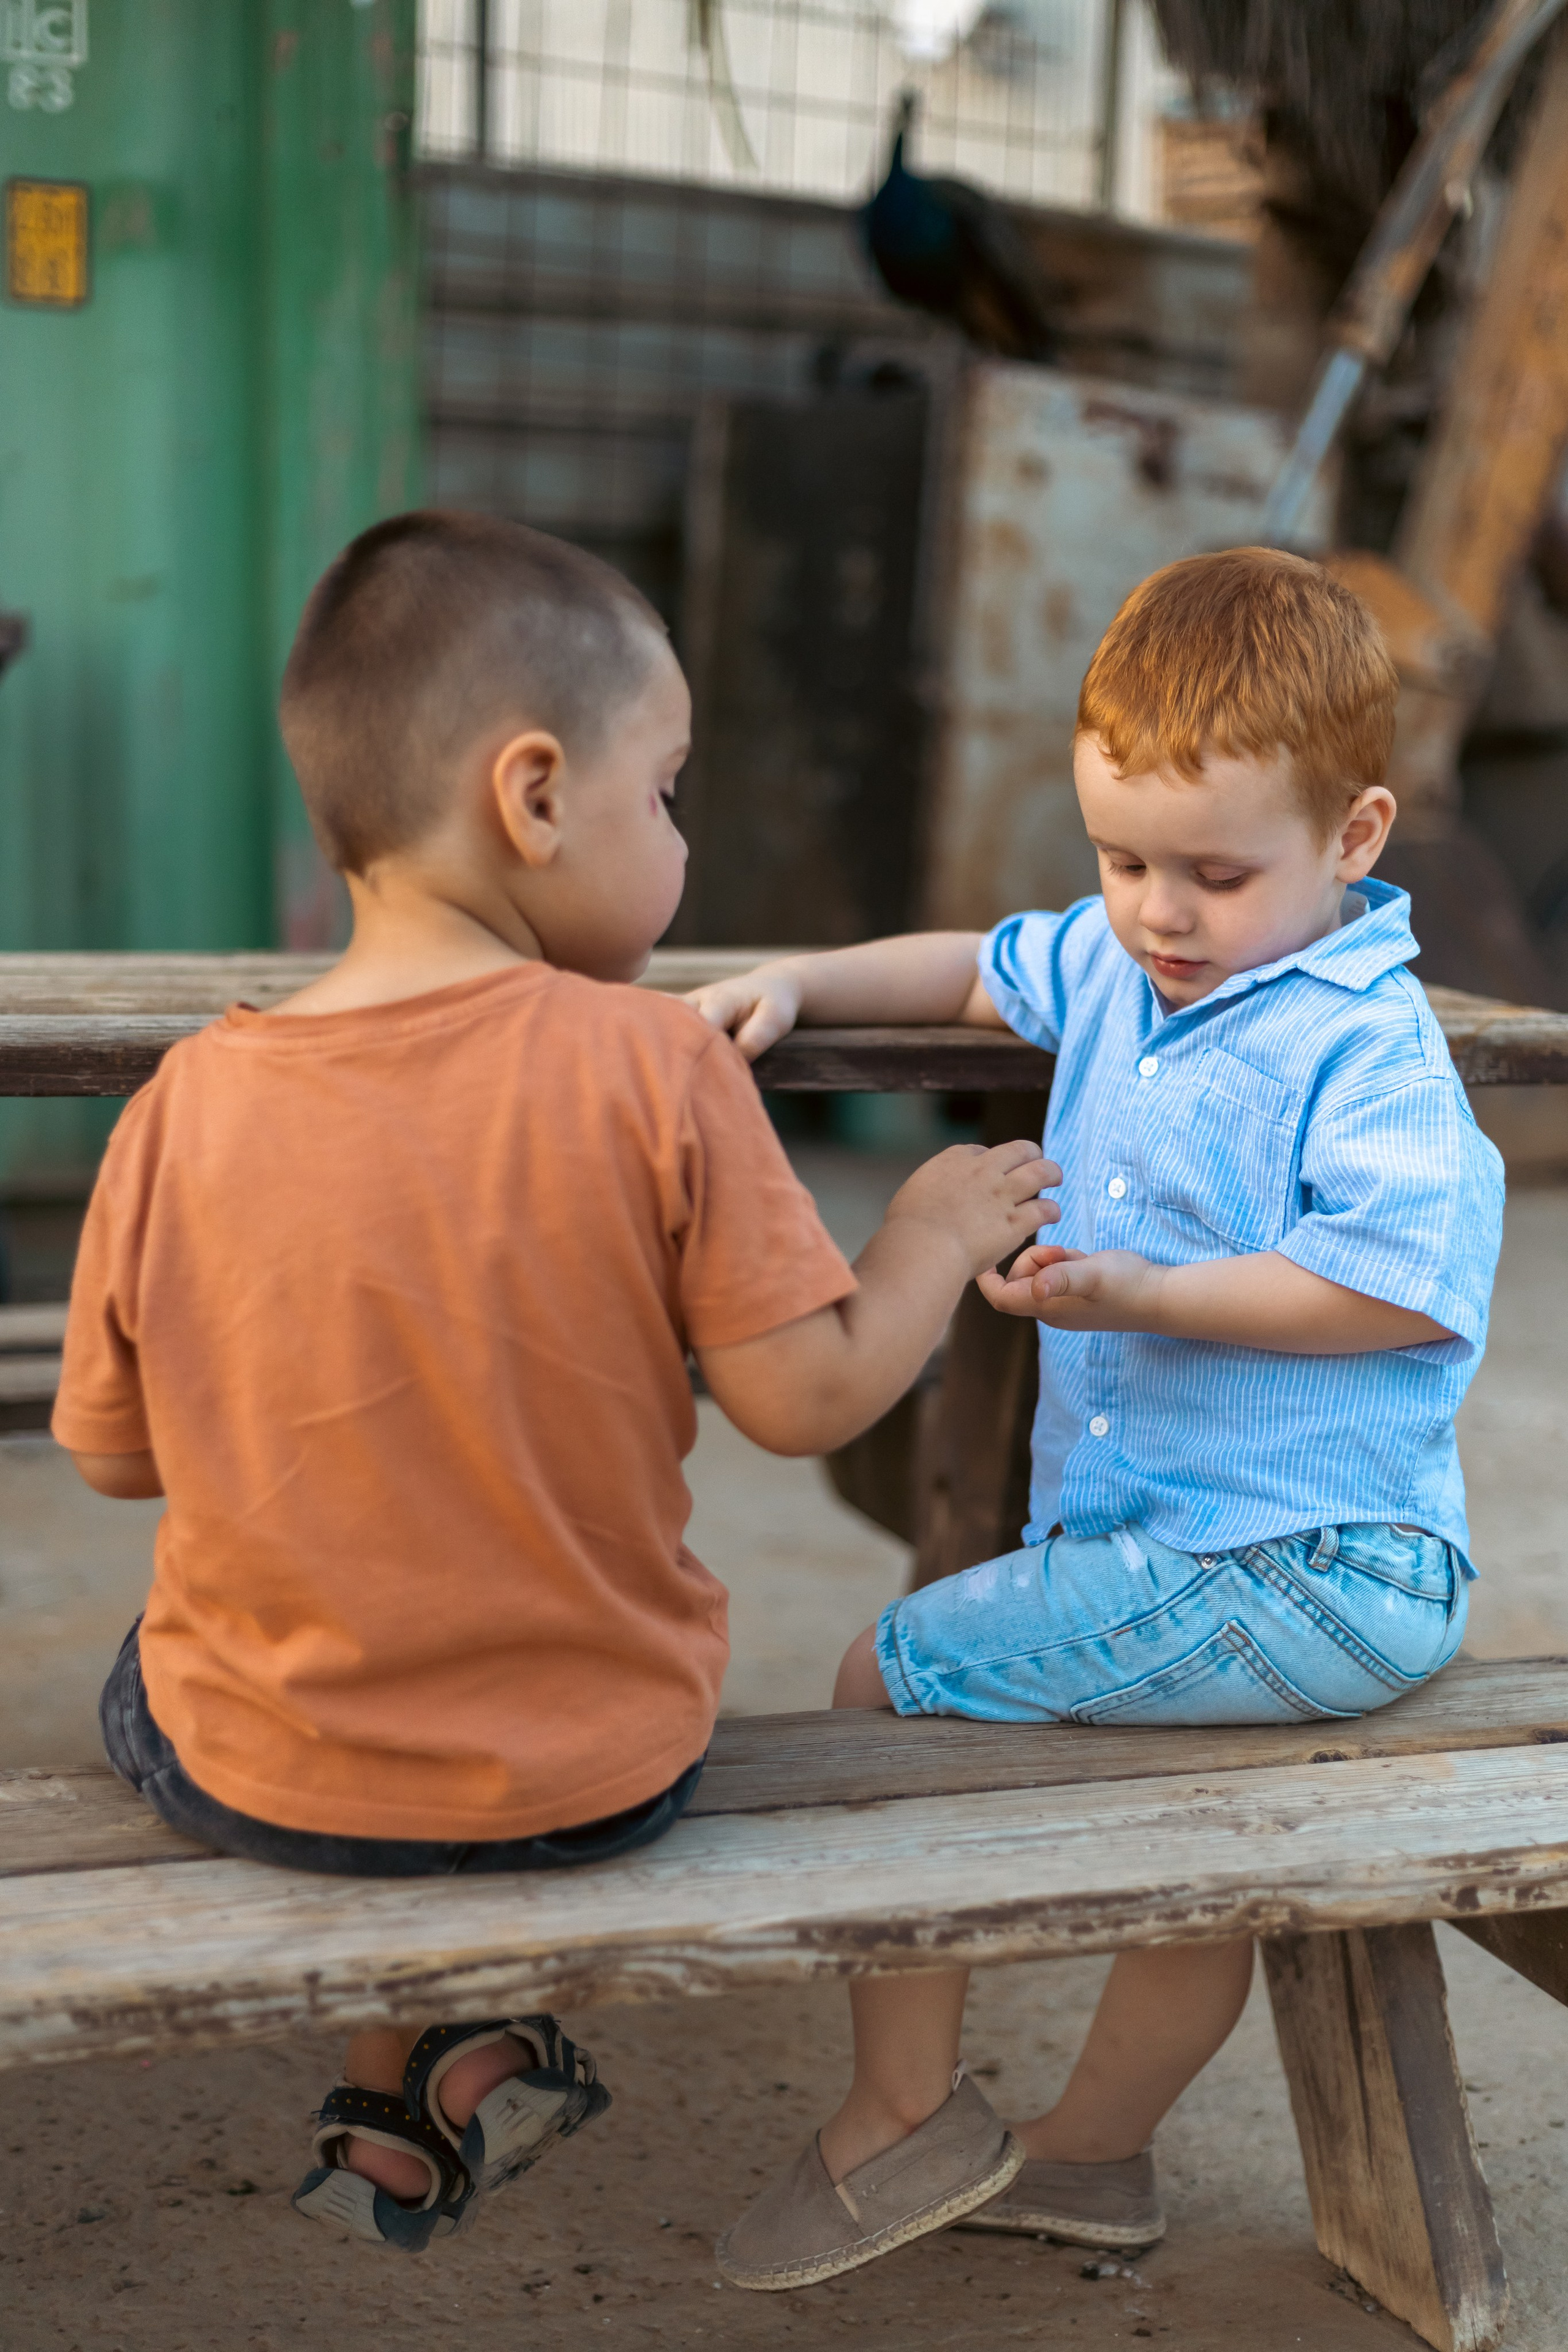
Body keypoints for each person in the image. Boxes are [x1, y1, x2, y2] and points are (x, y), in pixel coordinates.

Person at [53, 510, 1056, 2253]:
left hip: (264, 1783)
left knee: (183, 1650)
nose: (678, 835)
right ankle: (442, 2056)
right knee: (458, 1630)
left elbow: (117, 1466)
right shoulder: (654, 1065)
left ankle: (423, 2071)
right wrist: (924, 1232)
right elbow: (809, 1398)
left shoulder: (177, 1107)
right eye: (663, 793)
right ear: (532, 798)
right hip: (603, 1773)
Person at [690, 546, 1506, 2293]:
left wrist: (1139, 1292)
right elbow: (982, 972)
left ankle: (899, 2114)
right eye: (1122, 860)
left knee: (879, 1681)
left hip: (1312, 1567)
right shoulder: (1132, 967)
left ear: (1356, 841)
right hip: (1193, 1555)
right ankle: (1091, 2160)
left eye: (1214, 873)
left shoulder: (1365, 1045)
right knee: (1201, 1864)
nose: (1157, 912)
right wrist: (802, 983)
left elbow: (1396, 1286)